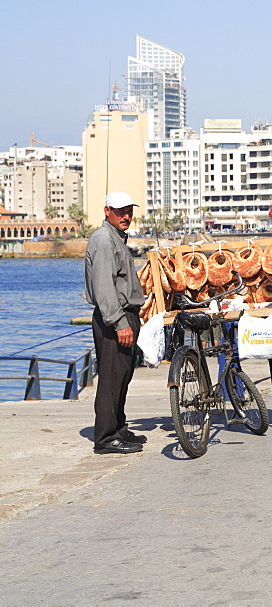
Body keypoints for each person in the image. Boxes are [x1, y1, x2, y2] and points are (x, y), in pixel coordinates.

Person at [85, 192, 147, 454]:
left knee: (123, 376)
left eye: (129, 211)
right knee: (111, 379)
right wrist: (120, 322)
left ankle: (119, 428)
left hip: (124, 315)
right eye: (121, 211)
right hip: (114, 318)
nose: (126, 216)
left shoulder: (117, 239)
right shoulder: (103, 239)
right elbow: (104, 287)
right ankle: (106, 437)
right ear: (107, 210)